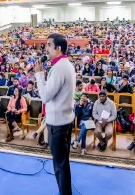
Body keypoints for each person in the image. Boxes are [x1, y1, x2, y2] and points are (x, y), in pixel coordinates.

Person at [35, 33, 76, 195]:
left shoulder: (59, 68)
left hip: (58, 124)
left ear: (58, 48)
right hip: (64, 120)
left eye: (49, 45)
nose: (46, 48)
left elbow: (45, 96)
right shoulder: (66, 65)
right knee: (63, 163)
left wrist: (39, 74)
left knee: (59, 165)